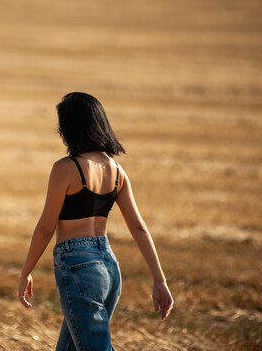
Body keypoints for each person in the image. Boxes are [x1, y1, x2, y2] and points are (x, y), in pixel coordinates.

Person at [18, 92, 174, 350]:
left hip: (79, 268)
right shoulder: (116, 172)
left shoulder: (65, 169)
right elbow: (139, 227)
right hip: (109, 267)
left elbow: (46, 226)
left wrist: (26, 272)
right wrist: (160, 280)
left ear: (70, 129)